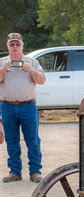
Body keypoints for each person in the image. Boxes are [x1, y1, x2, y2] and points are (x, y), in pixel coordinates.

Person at [0, 33, 46, 182]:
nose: (14, 47)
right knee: (12, 141)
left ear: (22, 45)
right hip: (7, 106)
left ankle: (35, 172)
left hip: (28, 106)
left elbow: (41, 81)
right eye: (11, 44)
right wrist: (2, 70)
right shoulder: (1, 62)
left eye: (17, 44)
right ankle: (15, 172)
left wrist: (31, 70)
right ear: (7, 46)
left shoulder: (32, 62)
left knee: (32, 140)